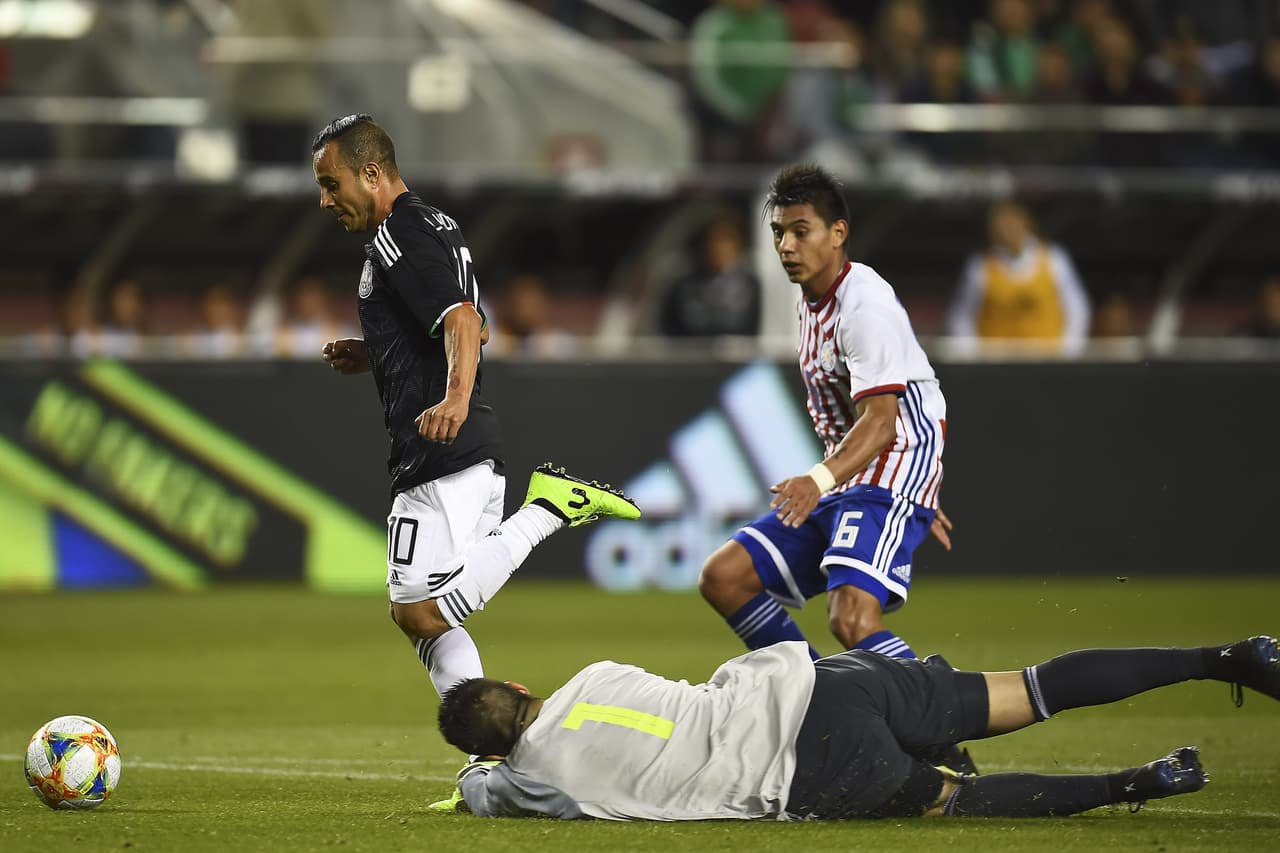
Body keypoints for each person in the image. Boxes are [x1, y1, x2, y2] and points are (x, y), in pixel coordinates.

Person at [310, 114, 640, 758]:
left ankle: (548, 508)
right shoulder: (432, 225)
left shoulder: (399, 234)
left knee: (419, 611)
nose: (324, 200)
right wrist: (375, 350)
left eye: (331, 183)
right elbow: (473, 323)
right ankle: (495, 763)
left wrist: (453, 397)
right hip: (457, 451)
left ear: (372, 174)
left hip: (444, 446)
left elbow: (461, 318)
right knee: (424, 625)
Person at [437, 635, 1280, 820]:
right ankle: (1226, 657)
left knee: (952, 803)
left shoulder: (526, 776)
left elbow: (483, 790)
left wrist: (479, 772)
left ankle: (1138, 782)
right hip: (825, 678)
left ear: (495, 742)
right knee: (1028, 687)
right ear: (520, 683)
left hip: (807, 765)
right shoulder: (593, 674)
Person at [698, 164, 951, 670]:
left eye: (800, 231)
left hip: (891, 457)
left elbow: (883, 422)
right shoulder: (810, 300)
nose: (786, 246)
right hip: (856, 469)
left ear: (839, 234)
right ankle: (816, 698)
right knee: (724, 577)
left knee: (852, 619)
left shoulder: (864, 308)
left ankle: (942, 726)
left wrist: (906, 489)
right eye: (778, 233)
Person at [946, 199, 1091, 354]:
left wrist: (1068, 351)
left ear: (1027, 223)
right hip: (997, 362)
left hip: (1047, 360)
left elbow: (1077, 308)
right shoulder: (980, 266)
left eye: (1013, 222)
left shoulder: (1054, 259)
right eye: (1002, 225)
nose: (1008, 230)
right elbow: (962, 316)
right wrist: (972, 355)